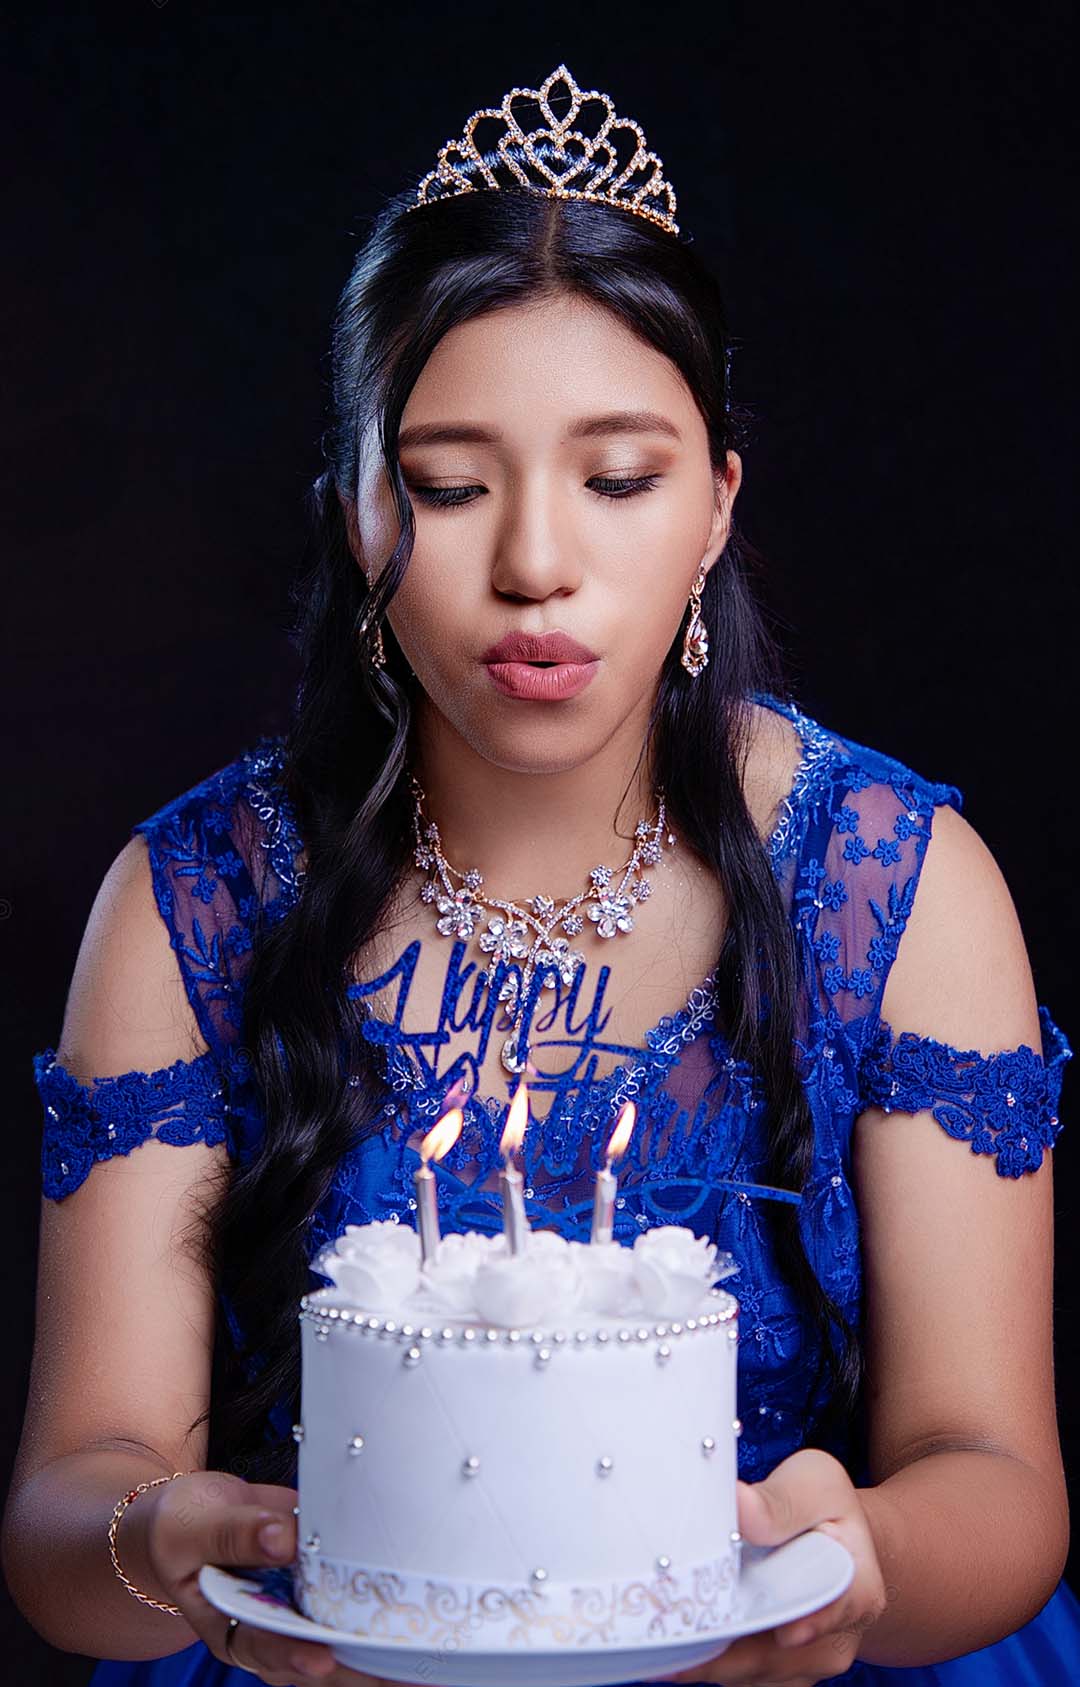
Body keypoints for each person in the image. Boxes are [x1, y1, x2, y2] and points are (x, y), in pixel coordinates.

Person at [4, 61, 1077, 1687]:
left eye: (620, 478)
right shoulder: (194, 900)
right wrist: (164, 1543)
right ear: (360, 518)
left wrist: (862, 1561)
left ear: (714, 507)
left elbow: (995, 1479)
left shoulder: (897, 886)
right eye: (448, 485)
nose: (534, 564)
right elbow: (65, 1514)